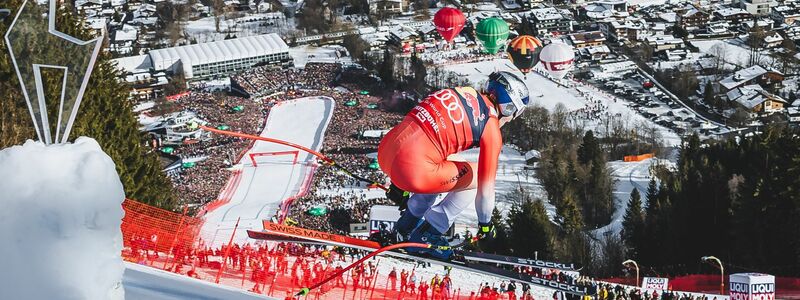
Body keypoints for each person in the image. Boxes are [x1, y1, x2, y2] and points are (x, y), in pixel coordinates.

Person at [378, 71, 530, 259]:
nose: (509, 121)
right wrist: (485, 224)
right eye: (513, 115)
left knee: (446, 164)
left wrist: (398, 182)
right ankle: (430, 234)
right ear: (508, 108)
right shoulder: (490, 128)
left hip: (386, 152)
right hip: (412, 170)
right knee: (475, 176)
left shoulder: (463, 92)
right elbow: (486, 189)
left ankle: (405, 226)